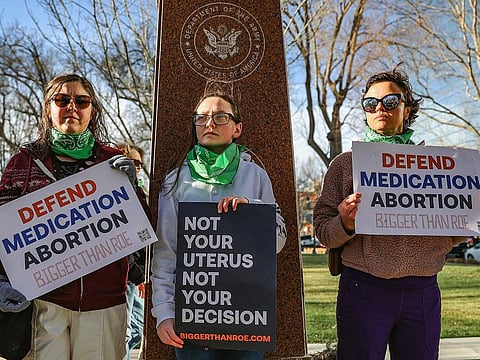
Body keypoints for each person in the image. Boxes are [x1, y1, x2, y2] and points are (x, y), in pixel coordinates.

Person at [313, 66, 464, 360]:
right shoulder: (344, 165)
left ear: (407, 109)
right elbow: (322, 231)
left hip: (422, 291)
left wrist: (467, 215)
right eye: (371, 103)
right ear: (365, 111)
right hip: (362, 289)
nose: (380, 108)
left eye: (391, 101)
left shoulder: (440, 167)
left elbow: (457, 231)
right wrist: (344, 222)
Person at [0, 73, 141, 360]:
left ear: (92, 110)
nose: (72, 107)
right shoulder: (24, 162)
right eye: (62, 99)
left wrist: (133, 191)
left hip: (104, 304)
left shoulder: (110, 162)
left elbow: (141, 232)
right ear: (48, 108)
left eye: (81, 100)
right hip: (43, 303)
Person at [151, 87, 287, 359]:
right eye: (201, 118)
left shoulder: (256, 176)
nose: (209, 123)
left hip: (246, 314)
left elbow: (279, 243)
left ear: (237, 128)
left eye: (220, 117)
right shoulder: (175, 180)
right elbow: (166, 252)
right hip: (193, 313)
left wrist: (254, 214)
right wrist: (164, 312)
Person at [116, 143, 148, 360]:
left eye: (139, 164)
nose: (136, 167)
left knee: (136, 330)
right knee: (125, 333)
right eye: (132, 162)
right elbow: (119, 242)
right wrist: (138, 276)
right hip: (125, 277)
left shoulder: (140, 193)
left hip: (138, 276)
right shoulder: (116, 193)